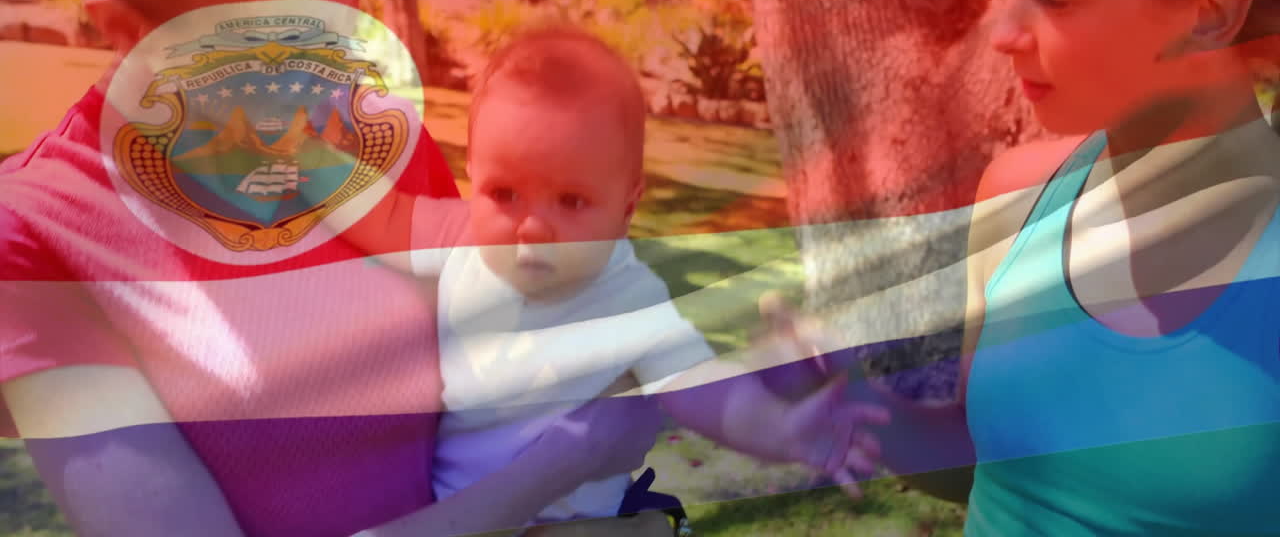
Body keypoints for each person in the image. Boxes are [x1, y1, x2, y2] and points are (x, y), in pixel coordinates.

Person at [0, 0, 668, 537]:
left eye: (342, 20)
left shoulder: (376, 139)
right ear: (123, 28)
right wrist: (570, 459)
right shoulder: (40, 233)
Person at [768, 0, 1280, 534]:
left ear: (1211, 13)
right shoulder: (1017, 201)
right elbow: (994, 467)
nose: (1001, 30)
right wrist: (858, 408)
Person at [338, 26, 890, 535]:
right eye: (504, 194)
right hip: (465, 516)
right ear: (472, 180)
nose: (532, 226)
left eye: (572, 201)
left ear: (626, 211)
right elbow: (380, 214)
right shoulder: (461, 242)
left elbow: (702, 388)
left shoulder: (627, 299)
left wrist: (779, 428)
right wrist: (300, 159)